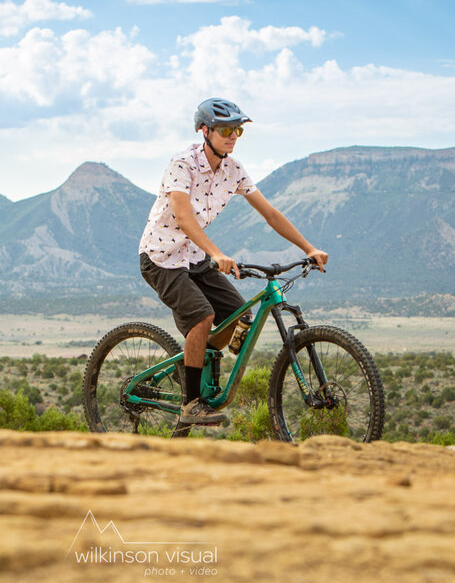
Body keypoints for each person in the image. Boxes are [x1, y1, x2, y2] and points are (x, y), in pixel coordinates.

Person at [138, 98, 328, 426]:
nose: (233, 136)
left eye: (238, 130)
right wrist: (216, 254)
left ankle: (197, 356)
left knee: (239, 314)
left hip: (195, 257)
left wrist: (309, 247)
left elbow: (269, 213)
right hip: (162, 258)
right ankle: (190, 404)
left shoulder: (233, 169)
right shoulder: (182, 164)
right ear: (205, 131)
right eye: (226, 129)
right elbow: (183, 218)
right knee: (203, 316)